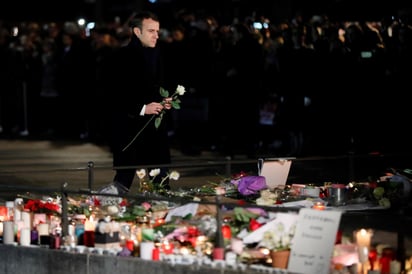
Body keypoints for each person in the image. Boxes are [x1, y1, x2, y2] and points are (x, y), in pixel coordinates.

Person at [98, 11, 173, 204]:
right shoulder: (121, 57)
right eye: (151, 31)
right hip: (131, 130)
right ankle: (105, 208)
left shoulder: (159, 53)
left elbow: (158, 86)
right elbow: (112, 96)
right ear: (137, 31)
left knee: (161, 182)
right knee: (124, 179)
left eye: (157, 30)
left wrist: (165, 100)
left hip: (155, 131)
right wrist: (142, 108)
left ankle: (164, 217)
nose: (156, 35)